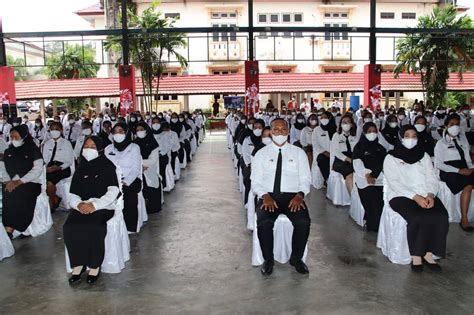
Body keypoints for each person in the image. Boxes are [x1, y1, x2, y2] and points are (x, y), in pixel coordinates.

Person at [384, 125, 449, 272]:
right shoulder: (391, 157)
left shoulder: (423, 155)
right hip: (401, 195)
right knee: (418, 217)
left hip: (425, 193)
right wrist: (415, 197)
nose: (411, 139)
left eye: (414, 136)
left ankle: (429, 254)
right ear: (401, 138)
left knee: (440, 216)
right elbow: (394, 182)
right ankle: (417, 255)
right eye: (407, 136)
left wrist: (431, 194)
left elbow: (432, 177)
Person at [251, 118, 311, 276]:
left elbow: (305, 179)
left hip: (293, 197)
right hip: (268, 195)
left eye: (283, 129)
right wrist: (264, 195)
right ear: (270, 132)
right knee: (264, 220)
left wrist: (300, 195)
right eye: (276, 130)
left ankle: (296, 259)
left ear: (288, 131)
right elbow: (255, 181)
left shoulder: (299, 153)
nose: (280, 133)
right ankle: (268, 260)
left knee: (303, 221)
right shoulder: (261, 154)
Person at [63, 136, 120, 285]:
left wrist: (95, 205)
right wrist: (79, 205)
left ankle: (94, 265)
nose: (88, 149)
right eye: (86, 146)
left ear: (100, 149)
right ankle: (78, 264)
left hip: (103, 206)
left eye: (92, 147)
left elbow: (113, 191)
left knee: (93, 227)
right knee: (70, 227)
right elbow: (73, 193)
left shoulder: (108, 166)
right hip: (82, 205)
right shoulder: (80, 167)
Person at [1, 125, 43, 238]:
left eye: (16, 136)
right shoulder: (8, 151)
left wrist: (19, 181)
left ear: (24, 136)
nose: (13, 139)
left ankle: (10, 230)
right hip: (11, 182)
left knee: (18, 194)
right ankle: (6, 227)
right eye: (11, 137)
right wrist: (7, 181)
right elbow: (3, 168)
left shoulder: (33, 150)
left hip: (31, 183)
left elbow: (37, 170)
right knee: (6, 193)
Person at [434, 114, 474, 231]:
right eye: (452, 124)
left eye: (457, 124)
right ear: (446, 126)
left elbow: (467, 158)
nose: (455, 127)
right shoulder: (441, 143)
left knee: (469, 179)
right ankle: (464, 219)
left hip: (463, 168)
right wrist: (459, 171)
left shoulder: (462, 141)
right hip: (449, 170)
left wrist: (471, 168)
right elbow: (439, 164)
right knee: (468, 185)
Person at [105, 123, 142, 232]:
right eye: (115, 131)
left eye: (121, 131)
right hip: (112, 179)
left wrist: (125, 181)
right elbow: (106, 167)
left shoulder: (134, 147)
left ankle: (129, 227)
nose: (117, 134)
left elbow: (135, 169)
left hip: (130, 179)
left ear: (126, 133)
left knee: (128, 193)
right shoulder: (108, 149)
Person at [352, 122, 386, 232]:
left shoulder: (381, 148)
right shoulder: (359, 147)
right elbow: (357, 164)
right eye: (369, 131)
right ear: (364, 132)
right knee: (373, 199)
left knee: (383, 199)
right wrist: (367, 175)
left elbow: (384, 164)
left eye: (374, 131)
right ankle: (372, 224)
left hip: (380, 179)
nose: (372, 133)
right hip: (364, 179)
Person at [42, 122, 74, 211]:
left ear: (61, 130)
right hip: (50, 167)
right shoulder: (47, 143)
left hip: (63, 167)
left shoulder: (66, 143)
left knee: (49, 182)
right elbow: (44, 159)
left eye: (56, 129)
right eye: (52, 129)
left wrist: (59, 167)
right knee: (43, 180)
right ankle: (55, 198)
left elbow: (69, 160)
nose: (54, 131)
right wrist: (46, 168)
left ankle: (53, 202)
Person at [134, 122, 162, 213]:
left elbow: (153, 160)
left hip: (149, 169)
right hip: (136, 170)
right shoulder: (134, 144)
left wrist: (140, 164)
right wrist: (138, 166)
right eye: (137, 130)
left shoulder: (153, 143)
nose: (139, 132)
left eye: (141, 130)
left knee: (151, 187)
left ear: (146, 130)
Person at [330, 114, 359, 193]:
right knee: (350, 173)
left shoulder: (355, 137)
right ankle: (353, 198)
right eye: (344, 122)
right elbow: (336, 151)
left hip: (353, 158)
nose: (346, 124)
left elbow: (358, 150)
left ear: (352, 124)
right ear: (340, 124)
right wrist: (348, 159)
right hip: (340, 160)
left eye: (348, 122)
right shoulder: (336, 136)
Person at [241, 119, 265, 205]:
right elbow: (246, 155)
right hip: (250, 166)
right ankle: (249, 202)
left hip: (265, 166)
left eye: (260, 127)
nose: (257, 129)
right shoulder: (247, 140)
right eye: (255, 128)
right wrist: (252, 166)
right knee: (249, 178)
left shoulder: (266, 140)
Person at [312, 111, 337, 183]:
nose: (323, 119)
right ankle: (328, 180)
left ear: (330, 118)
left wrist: (333, 153)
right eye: (321, 117)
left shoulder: (336, 130)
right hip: (322, 153)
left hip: (335, 153)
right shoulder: (317, 130)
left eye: (325, 117)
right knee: (322, 160)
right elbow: (315, 145)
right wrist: (325, 152)